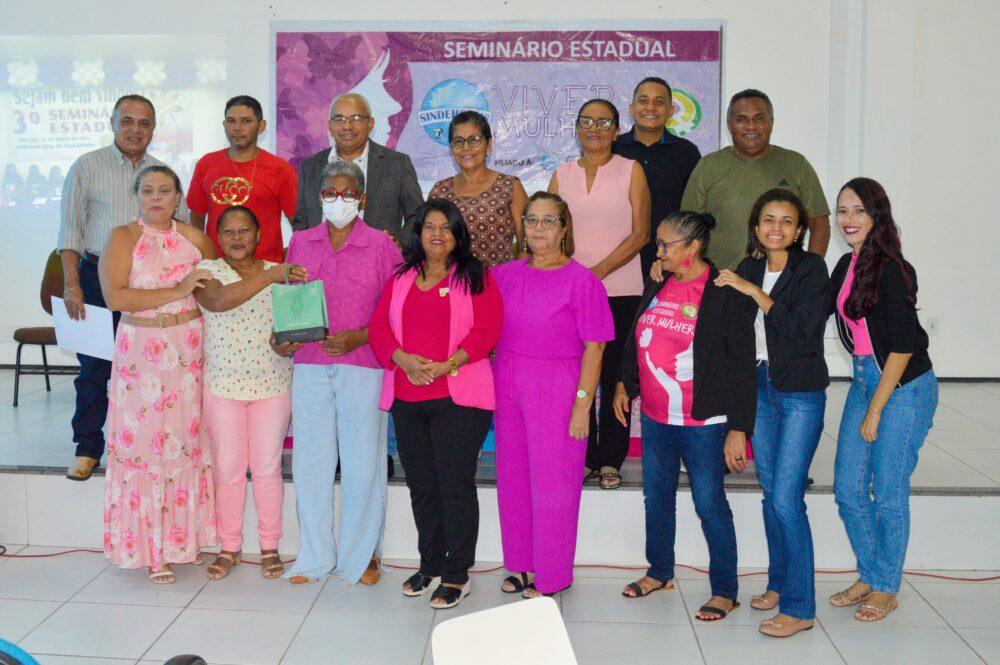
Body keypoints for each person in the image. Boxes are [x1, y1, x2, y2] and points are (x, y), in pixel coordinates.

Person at [613, 211, 755, 621]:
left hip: (703, 423)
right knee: (656, 498)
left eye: (665, 245)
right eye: (658, 244)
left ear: (693, 247)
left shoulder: (723, 291)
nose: (657, 252)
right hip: (656, 417)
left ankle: (725, 591)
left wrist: (738, 429)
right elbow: (638, 334)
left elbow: (741, 366)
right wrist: (624, 381)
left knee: (709, 503)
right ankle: (659, 572)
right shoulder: (659, 280)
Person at [368, 199, 503, 609]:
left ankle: (457, 573)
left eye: (446, 227)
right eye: (430, 226)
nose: (437, 234)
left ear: (458, 233)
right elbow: (379, 327)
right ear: (418, 232)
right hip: (408, 396)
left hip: (458, 398)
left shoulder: (475, 275)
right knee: (422, 486)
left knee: (454, 485)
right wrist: (402, 359)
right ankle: (429, 564)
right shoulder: (401, 276)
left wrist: (449, 364)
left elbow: (488, 329)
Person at [714, 189, 831, 637]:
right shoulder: (749, 266)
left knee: (786, 501)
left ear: (799, 230)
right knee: (771, 497)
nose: (776, 228)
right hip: (759, 388)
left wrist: (754, 292)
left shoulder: (811, 268)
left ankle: (801, 608)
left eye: (786, 221)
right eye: (768, 219)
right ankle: (780, 584)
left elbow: (800, 332)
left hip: (800, 393)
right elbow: (728, 332)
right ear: (756, 226)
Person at [58, 94, 190, 481]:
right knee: (94, 368)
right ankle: (87, 448)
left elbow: (182, 230)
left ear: (154, 128)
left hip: (151, 283)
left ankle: (142, 444)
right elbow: (70, 233)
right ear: (112, 123)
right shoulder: (86, 166)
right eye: (127, 121)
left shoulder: (163, 173)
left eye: (144, 123)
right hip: (95, 280)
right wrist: (72, 286)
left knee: (149, 367)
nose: (135, 129)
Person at [281, 160, 401, 585]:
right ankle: (314, 557)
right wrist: (285, 337)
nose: (339, 200)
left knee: (363, 464)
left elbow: (396, 310)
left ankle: (363, 556)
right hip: (310, 366)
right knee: (311, 463)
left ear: (362, 200)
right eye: (331, 193)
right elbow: (290, 302)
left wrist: (360, 336)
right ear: (320, 197)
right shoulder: (300, 242)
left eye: (348, 193)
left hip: (363, 365)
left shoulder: (382, 245)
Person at [99, 165, 217, 583]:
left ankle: (186, 541)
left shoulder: (196, 238)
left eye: (164, 190)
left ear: (177, 196)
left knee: (187, 441)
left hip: (188, 351)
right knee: (145, 445)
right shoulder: (122, 237)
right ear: (136, 195)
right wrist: (179, 290)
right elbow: (116, 297)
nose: (156, 197)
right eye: (147, 190)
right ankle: (151, 550)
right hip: (140, 354)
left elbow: (215, 292)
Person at [828, 177, 938, 622]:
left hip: (903, 386)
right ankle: (872, 573)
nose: (848, 219)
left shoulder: (893, 268)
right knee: (848, 488)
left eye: (859, 210)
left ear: (877, 216)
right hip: (863, 381)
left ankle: (886, 586)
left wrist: (875, 409)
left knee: (888, 491)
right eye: (842, 210)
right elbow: (807, 308)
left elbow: (904, 345)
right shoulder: (845, 264)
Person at [493, 192, 613, 597]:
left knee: (554, 484)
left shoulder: (583, 281)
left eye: (549, 220)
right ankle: (522, 565)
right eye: (532, 220)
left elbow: (596, 347)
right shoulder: (503, 276)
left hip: (559, 388)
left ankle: (553, 573)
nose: (538, 228)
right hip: (509, 384)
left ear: (564, 228)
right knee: (514, 479)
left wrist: (582, 404)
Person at [193, 206, 308, 581]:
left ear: (259, 235)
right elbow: (218, 302)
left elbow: (287, 328)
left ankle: (270, 546)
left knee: (267, 468)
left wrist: (284, 344)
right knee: (228, 468)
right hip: (223, 386)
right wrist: (270, 275)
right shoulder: (207, 273)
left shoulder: (280, 274)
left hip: (272, 386)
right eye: (228, 231)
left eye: (244, 230)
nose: (237, 238)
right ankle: (229, 546)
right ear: (217, 237)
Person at [549, 98, 651, 490]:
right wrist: (575, 278)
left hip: (621, 290)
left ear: (616, 129)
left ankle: (610, 458)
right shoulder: (562, 174)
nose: (595, 128)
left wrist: (600, 272)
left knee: (614, 377)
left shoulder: (631, 170)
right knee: (576, 375)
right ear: (576, 128)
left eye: (604, 122)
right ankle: (584, 456)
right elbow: (550, 231)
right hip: (571, 293)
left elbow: (641, 233)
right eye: (587, 121)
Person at [680, 89, 830, 270]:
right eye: (742, 119)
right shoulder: (708, 166)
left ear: (771, 123)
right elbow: (686, 230)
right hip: (720, 279)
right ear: (729, 125)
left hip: (782, 281)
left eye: (759, 119)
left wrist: (808, 272)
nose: (751, 126)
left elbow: (819, 224)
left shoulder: (796, 164)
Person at [292, 92, 424, 242]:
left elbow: (417, 216)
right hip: (321, 255)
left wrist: (399, 244)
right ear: (329, 126)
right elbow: (301, 222)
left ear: (370, 123)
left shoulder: (397, 164)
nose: (347, 126)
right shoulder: (310, 167)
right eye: (339, 119)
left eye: (355, 118)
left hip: (377, 255)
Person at [187, 95, 297, 263]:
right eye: (231, 121)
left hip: (265, 270)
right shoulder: (206, 164)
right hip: (216, 268)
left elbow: (299, 225)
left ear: (261, 126)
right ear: (224, 125)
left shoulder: (281, 169)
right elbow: (196, 220)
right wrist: (202, 260)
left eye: (246, 121)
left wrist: (287, 258)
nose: (237, 128)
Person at [614, 77, 702, 277]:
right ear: (631, 108)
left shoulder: (687, 152)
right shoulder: (613, 148)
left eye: (659, 102)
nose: (650, 107)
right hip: (617, 259)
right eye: (643, 100)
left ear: (671, 111)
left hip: (669, 262)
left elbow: (693, 212)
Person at [428, 111, 528, 268]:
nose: (466, 147)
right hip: (450, 281)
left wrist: (518, 276)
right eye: (458, 141)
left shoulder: (510, 186)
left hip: (498, 280)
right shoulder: (439, 191)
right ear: (451, 148)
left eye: (474, 140)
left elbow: (526, 242)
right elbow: (428, 243)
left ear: (489, 144)